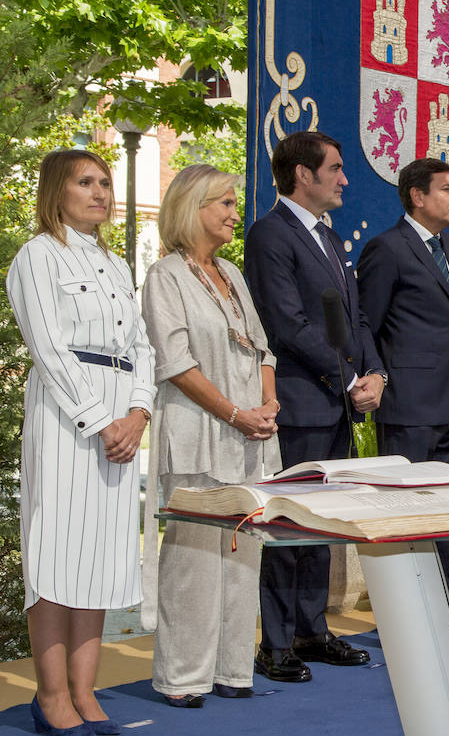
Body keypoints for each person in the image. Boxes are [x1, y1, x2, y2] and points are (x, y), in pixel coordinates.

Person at [8, 150, 155, 735]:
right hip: (69, 419)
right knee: (56, 553)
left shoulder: (116, 265)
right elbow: (46, 345)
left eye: (106, 183)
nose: (100, 192)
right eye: (86, 182)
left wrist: (139, 413)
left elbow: (142, 345)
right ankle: (51, 698)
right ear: (57, 191)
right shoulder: (38, 256)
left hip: (122, 416)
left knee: (100, 558)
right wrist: (101, 420)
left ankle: (86, 692)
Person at [244, 131, 385, 682]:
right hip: (300, 405)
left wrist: (375, 374)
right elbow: (286, 324)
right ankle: (275, 643)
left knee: (322, 525)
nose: (345, 178)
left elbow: (358, 320)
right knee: (286, 525)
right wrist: (349, 377)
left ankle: (311, 629)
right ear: (303, 174)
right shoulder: (270, 235)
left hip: (338, 405)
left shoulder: (328, 236)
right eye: (336, 168)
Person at [141, 165, 281, 707]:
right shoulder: (165, 276)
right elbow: (174, 363)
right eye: (223, 202)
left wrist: (267, 405)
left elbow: (262, 349)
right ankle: (182, 678)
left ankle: (232, 669)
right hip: (199, 431)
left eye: (233, 202)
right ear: (192, 207)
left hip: (250, 435)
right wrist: (234, 413)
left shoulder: (231, 272)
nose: (232, 212)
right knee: (194, 557)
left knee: (244, 551)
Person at [356, 157, 449, 647]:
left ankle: (438, 615)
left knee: (444, 514)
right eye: (448, 189)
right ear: (417, 196)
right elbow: (365, 322)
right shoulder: (387, 248)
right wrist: (377, 376)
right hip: (408, 406)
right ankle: (403, 622)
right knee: (406, 518)